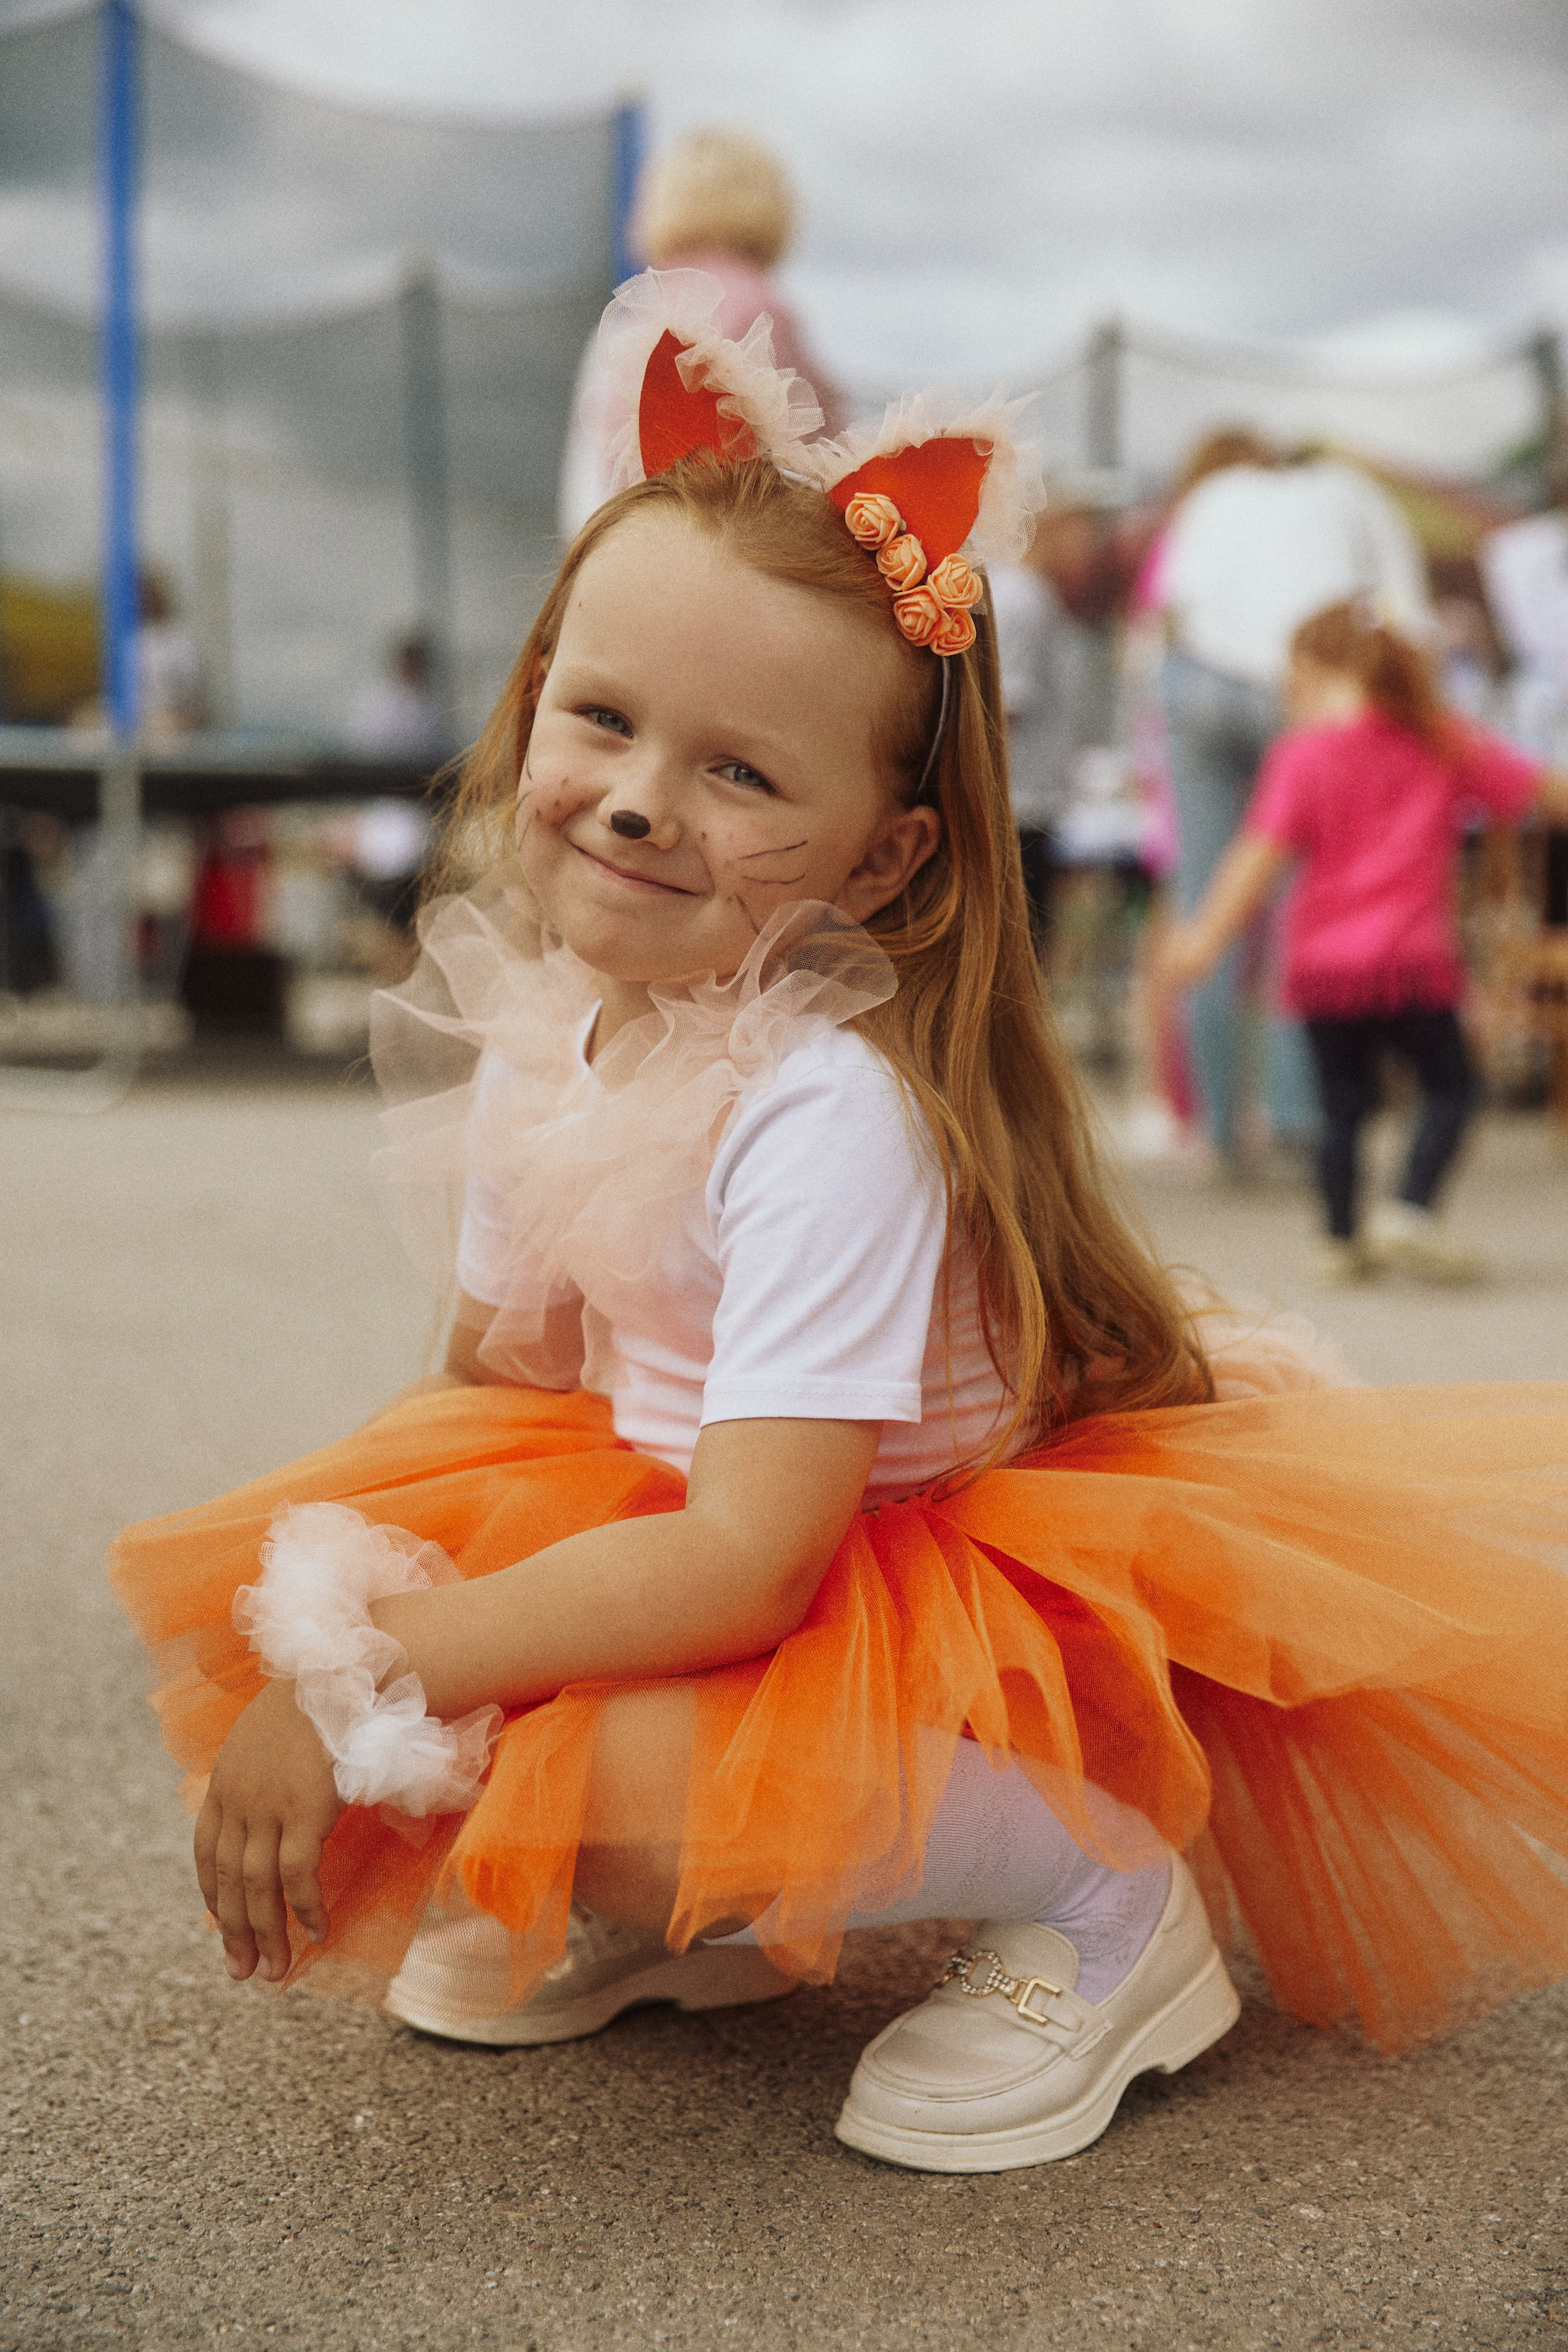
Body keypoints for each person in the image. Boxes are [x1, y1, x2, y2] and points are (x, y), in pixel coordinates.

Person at [110, 276, 1568, 2179]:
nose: (635, 803)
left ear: (885, 852)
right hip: (696, 1501)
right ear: (530, 699)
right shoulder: (544, 1016)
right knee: (465, 1755)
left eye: (739, 770)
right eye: (603, 719)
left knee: (511, 1748)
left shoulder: (827, 1110)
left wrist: (372, 1668)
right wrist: (386, 1598)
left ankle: (1100, 1886)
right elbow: (492, 1380)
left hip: (884, 1566)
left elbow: (748, 1567)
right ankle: (686, 1910)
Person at [1159, 599, 1568, 1283]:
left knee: (1341, 1105)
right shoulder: (1441, 739)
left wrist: (1204, 940)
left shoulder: (1300, 756)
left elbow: (1255, 858)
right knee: (1451, 1088)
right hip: (1412, 965)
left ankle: (1339, 1238)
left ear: (1319, 670)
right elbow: (1540, 789)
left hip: (1323, 969)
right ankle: (1409, 1206)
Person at [1161, 434, 1433, 1167]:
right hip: (1304, 681)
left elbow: (1171, 609)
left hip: (1197, 681)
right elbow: (1404, 613)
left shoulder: (1210, 498)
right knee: (1298, 906)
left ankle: (1216, 1130)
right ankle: (1297, 1120)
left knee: (1205, 897)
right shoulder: (1352, 491)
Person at [557, 129, 845, 537]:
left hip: (625, 547)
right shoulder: (762, 308)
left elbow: (589, 478)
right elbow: (818, 462)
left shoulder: (630, 315)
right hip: (725, 552)